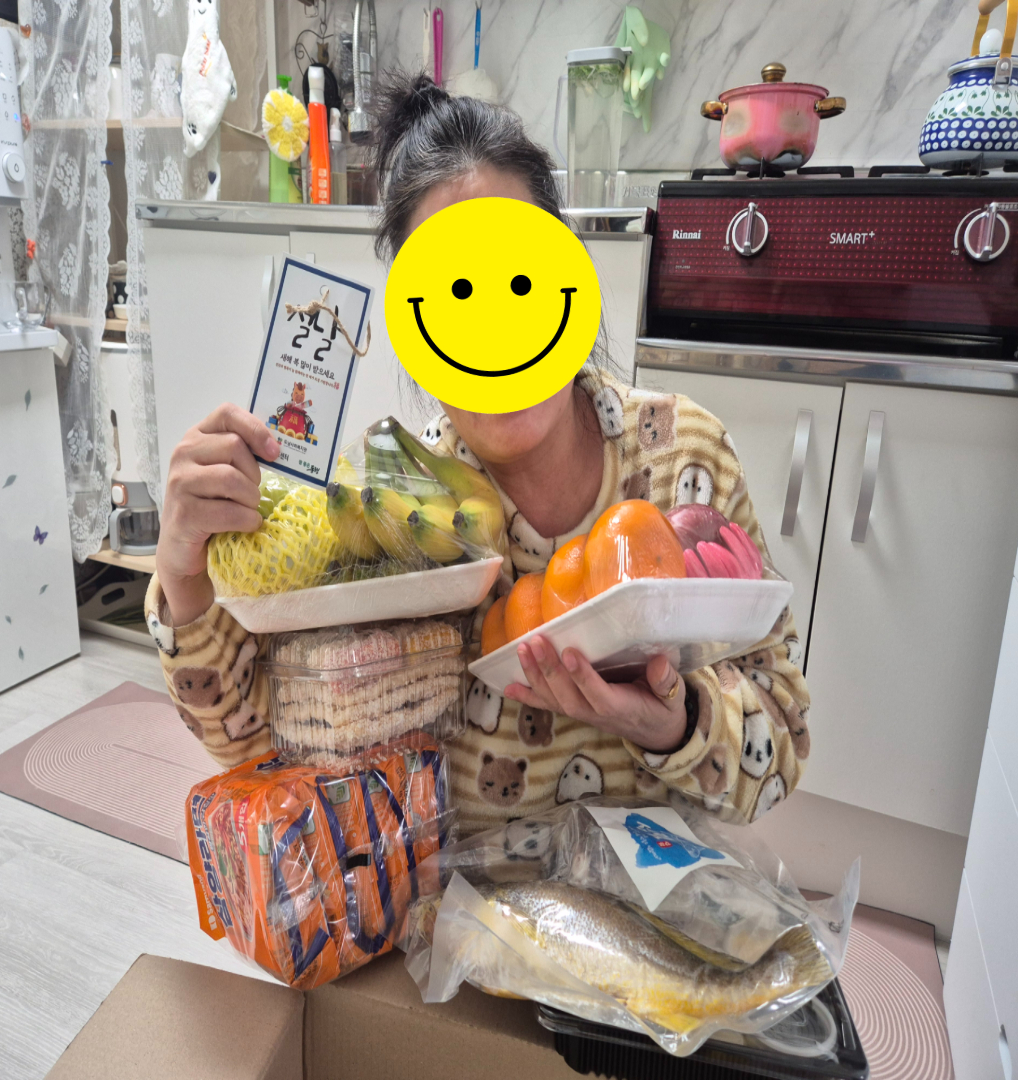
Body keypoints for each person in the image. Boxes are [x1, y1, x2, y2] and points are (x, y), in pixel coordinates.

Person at [146, 73, 810, 836]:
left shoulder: (684, 458)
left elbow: (780, 744)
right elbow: (262, 744)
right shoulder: (392, 507)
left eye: (516, 281)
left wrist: (673, 720)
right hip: (465, 901)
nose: (495, 329)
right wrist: (184, 573)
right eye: (459, 294)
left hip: (654, 893)